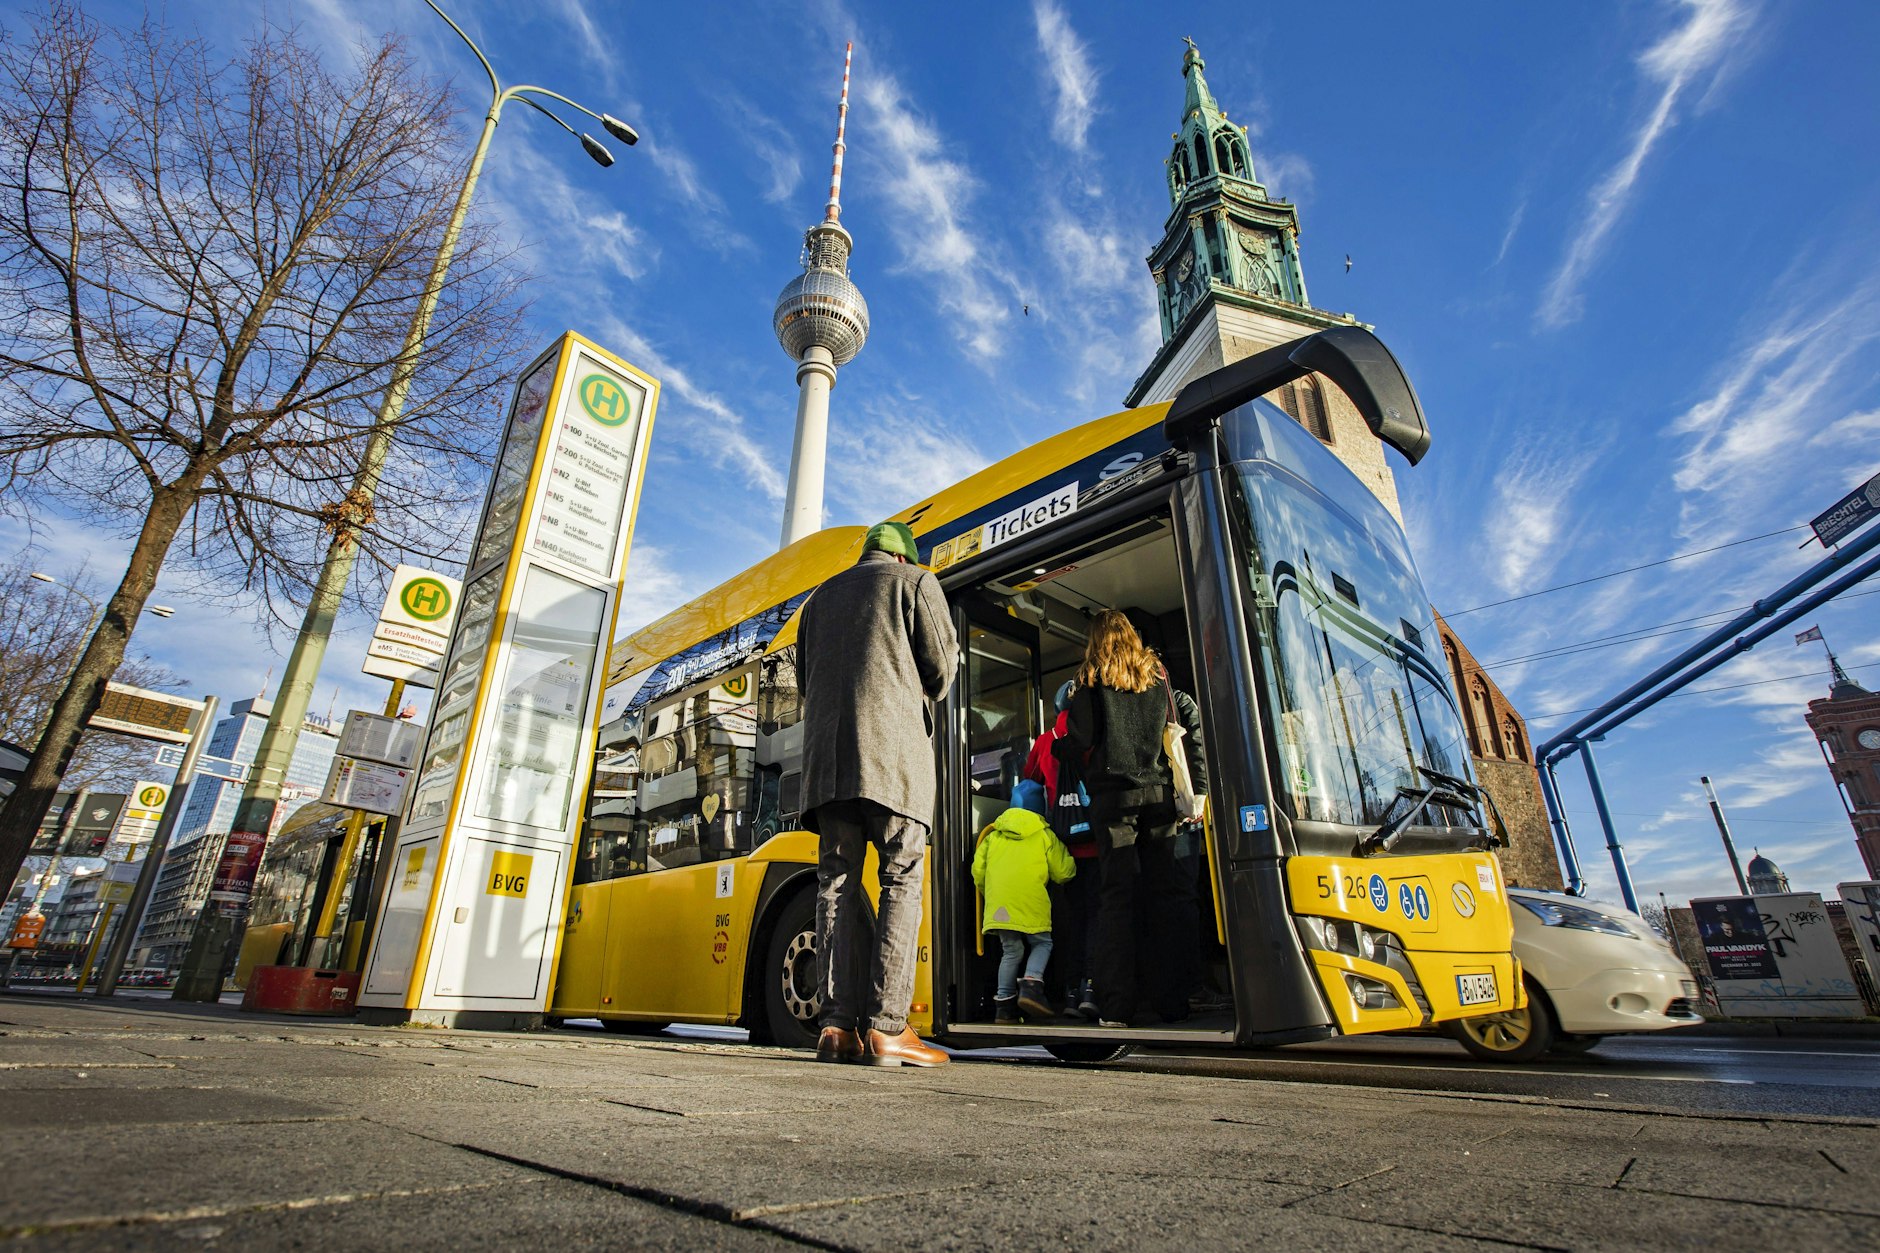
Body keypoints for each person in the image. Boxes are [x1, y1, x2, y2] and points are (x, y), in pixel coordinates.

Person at [797, 521, 958, 1067]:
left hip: (828, 767)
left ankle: (836, 1027)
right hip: (893, 762)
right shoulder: (915, 584)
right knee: (900, 879)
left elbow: (807, 684)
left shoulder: (818, 601)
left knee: (835, 885)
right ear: (904, 557)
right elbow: (941, 672)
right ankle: (889, 1028)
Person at [1065, 609, 1199, 1027]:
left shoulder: (1090, 678)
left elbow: (1082, 738)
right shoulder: (1155, 674)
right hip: (1158, 795)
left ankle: (1117, 1006)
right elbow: (1171, 726)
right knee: (1165, 895)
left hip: (1113, 800)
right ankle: (1172, 1001)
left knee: (1116, 898)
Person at [1025, 681, 1100, 1017]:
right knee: (1098, 917)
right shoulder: (1096, 736)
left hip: (1061, 850)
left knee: (1071, 921)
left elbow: (1029, 784)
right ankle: (1091, 988)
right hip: (1096, 843)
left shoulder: (1045, 741)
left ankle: (1069, 992)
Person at [972, 782, 1075, 1022]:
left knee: (1011, 950)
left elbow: (978, 872)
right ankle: (1031, 985)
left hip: (999, 904)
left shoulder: (993, 835)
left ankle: (1004, 1006)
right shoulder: (1044, 835)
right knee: (1042, 943)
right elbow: (1063, 872)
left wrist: (992, 895)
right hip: (1032, 901)